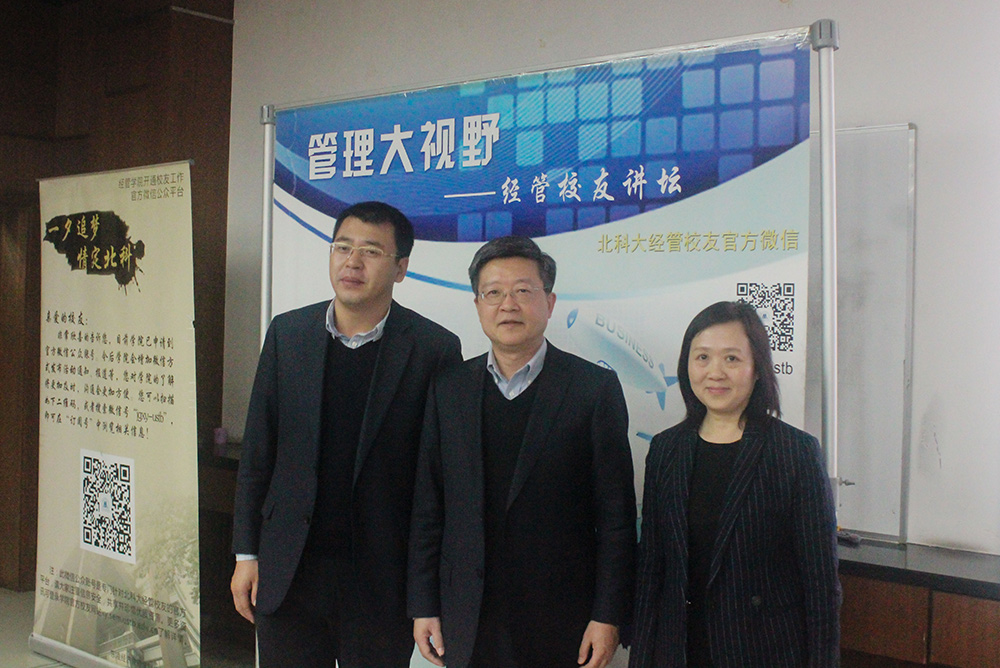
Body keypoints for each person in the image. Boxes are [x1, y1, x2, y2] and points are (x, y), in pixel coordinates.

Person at [230, 201, 462, 668]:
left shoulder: (434, 349)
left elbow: (437, 481)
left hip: (381, 581)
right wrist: (246, 553)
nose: (352, 262)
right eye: (342, 247)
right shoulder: (288, 334)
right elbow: (259, 452)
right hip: (289, 571)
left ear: (401, 268)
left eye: (371, 251)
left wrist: (427, 591)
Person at [408, 235, 636, 668]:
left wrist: (608, 616)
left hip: (562, 618)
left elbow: (616, 518)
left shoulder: (593, 390)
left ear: (549, 302)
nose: (508, 305)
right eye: (493, 292)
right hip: (467, 615)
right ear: (477, 304)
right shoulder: (448, 390)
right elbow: (428, 508)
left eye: (523, 291)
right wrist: (424, 604)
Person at [629, 301, 840, 667]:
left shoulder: (795, 452)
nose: (715, 372)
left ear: (757, 368)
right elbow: (652, 570)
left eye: (731, 358)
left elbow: (821, 585)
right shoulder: (666, 450)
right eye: (702, 357)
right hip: (679, 651)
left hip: (762, 653)